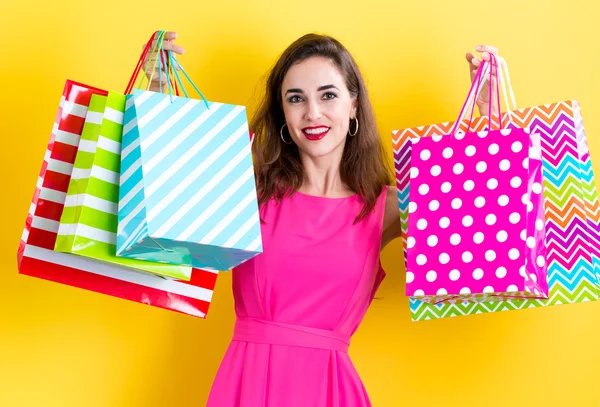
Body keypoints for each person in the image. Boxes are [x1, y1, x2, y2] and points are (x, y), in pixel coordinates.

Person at [145, 32, 499, 406]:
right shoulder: (247, 190)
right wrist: (155, 97)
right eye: (296, 99)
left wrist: (488, 114)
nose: (312, 113)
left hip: (330, 392)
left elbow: (486, 236)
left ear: (353, 105)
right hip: (245, 387)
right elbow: (161, 223)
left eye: (327, 95)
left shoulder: (389, 207)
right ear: (283, 112)